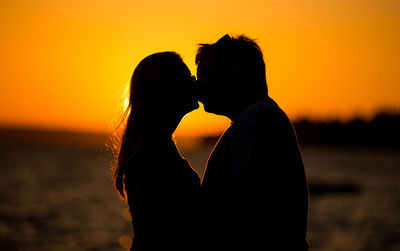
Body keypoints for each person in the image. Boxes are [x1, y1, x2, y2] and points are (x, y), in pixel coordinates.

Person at [196, 34, 309, 251]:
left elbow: (236, 204)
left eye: (205, 72)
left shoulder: (258, 118)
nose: (199, 85)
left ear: (233, 68)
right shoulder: (255, 118)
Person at [112, 52, 200, 251]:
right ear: (169, 90)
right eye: (188, 78)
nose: (196, 83)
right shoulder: (153, 154)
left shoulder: (155, 145)